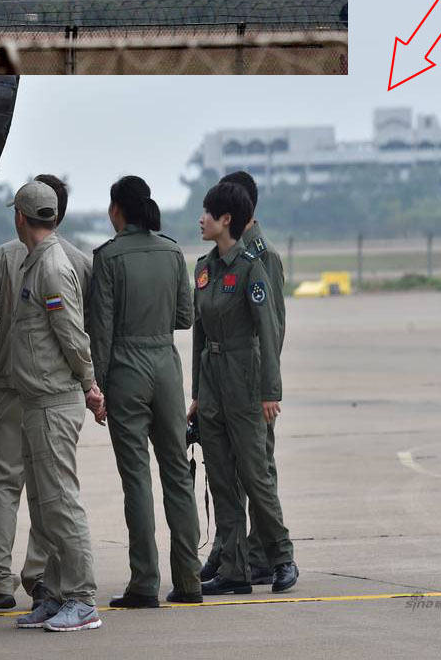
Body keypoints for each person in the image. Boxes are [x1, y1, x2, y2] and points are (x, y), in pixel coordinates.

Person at [0, 175, 92, 613]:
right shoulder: (78, 260)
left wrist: (11, 355)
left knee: (7, 483)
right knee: (49, 488)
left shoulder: (6, 256)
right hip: (58, 387)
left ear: (22, 214)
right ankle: (41, 578)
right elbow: (85, 327)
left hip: (16, 389)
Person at [87, 176, 204, 609]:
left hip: (126, 369)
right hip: (166, 368)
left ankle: (144, 582)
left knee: (136, 478)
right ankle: (190, 579)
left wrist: (95, 386)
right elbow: (186, 317)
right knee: (177, 473)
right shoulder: (173, 252)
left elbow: (101, 330)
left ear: (118, 209)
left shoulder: (109, 257)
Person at [188, 183, 298, 595]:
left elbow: (269, 330)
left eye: (208, 213)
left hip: (246, 381)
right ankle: (234, 568)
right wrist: (197, 394)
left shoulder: (252, 267)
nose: (202, 219)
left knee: (255, 475)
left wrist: (271, 392)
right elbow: (199, 332)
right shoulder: (203, 268)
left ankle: (281, 556)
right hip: (213, 384)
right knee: (221, 479)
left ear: (226, 220)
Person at [6, 181, 105, 633]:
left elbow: (70, 333)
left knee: (61, 503)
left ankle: (82, 600)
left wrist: (89, 385)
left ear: (20, 218)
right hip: (35, 400)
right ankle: (57, 594)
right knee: (45, 510)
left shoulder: (52, 268)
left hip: (53, 402)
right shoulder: (37, 262)